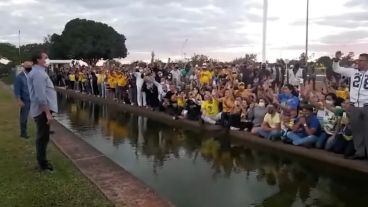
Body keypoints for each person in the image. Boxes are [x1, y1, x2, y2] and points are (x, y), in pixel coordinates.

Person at [332, 51, 368, 159]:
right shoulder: (352, 72)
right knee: (357, 131)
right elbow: (337, 69)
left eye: (361, 60)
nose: (358, 62)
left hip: (366, 105)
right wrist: (336, 60)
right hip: (354, 106)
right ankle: (360, 153)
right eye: (358, 60)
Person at [27, 51, 58, 171]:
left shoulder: (39, 72)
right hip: (42, 111)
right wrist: (47, 113)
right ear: (38, 60)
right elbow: (40, 96)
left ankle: (42, 162)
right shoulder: (38, 74)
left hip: (42, 110)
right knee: (42, 137)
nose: (47, 60)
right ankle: (43, 165)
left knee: (44, 136)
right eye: (45, 58)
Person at [14, 61, 33, 138]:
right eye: (28, 66)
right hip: (25, 100)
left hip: (33, 99)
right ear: (24, 67)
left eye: (30, 66)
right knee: (24, 117)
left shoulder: (31, 76)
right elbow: (17, 90)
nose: (29, 67)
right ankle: (23, 133)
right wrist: (19, 100)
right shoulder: (19, 77)